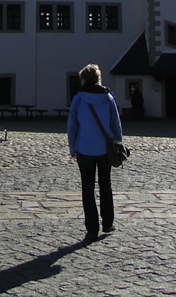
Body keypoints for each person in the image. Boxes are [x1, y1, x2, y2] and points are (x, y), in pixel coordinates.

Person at [66, 63, 124, 241]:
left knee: (87, 188)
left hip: (84, 149)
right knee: (105, 185)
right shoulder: (108, 98)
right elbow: (115, 124)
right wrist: (117, 142)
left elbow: (72, 126)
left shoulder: (79, 99)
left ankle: (92, 229)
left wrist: (72, 146)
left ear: (84, 80)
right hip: (105, 149)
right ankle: (108, 223)